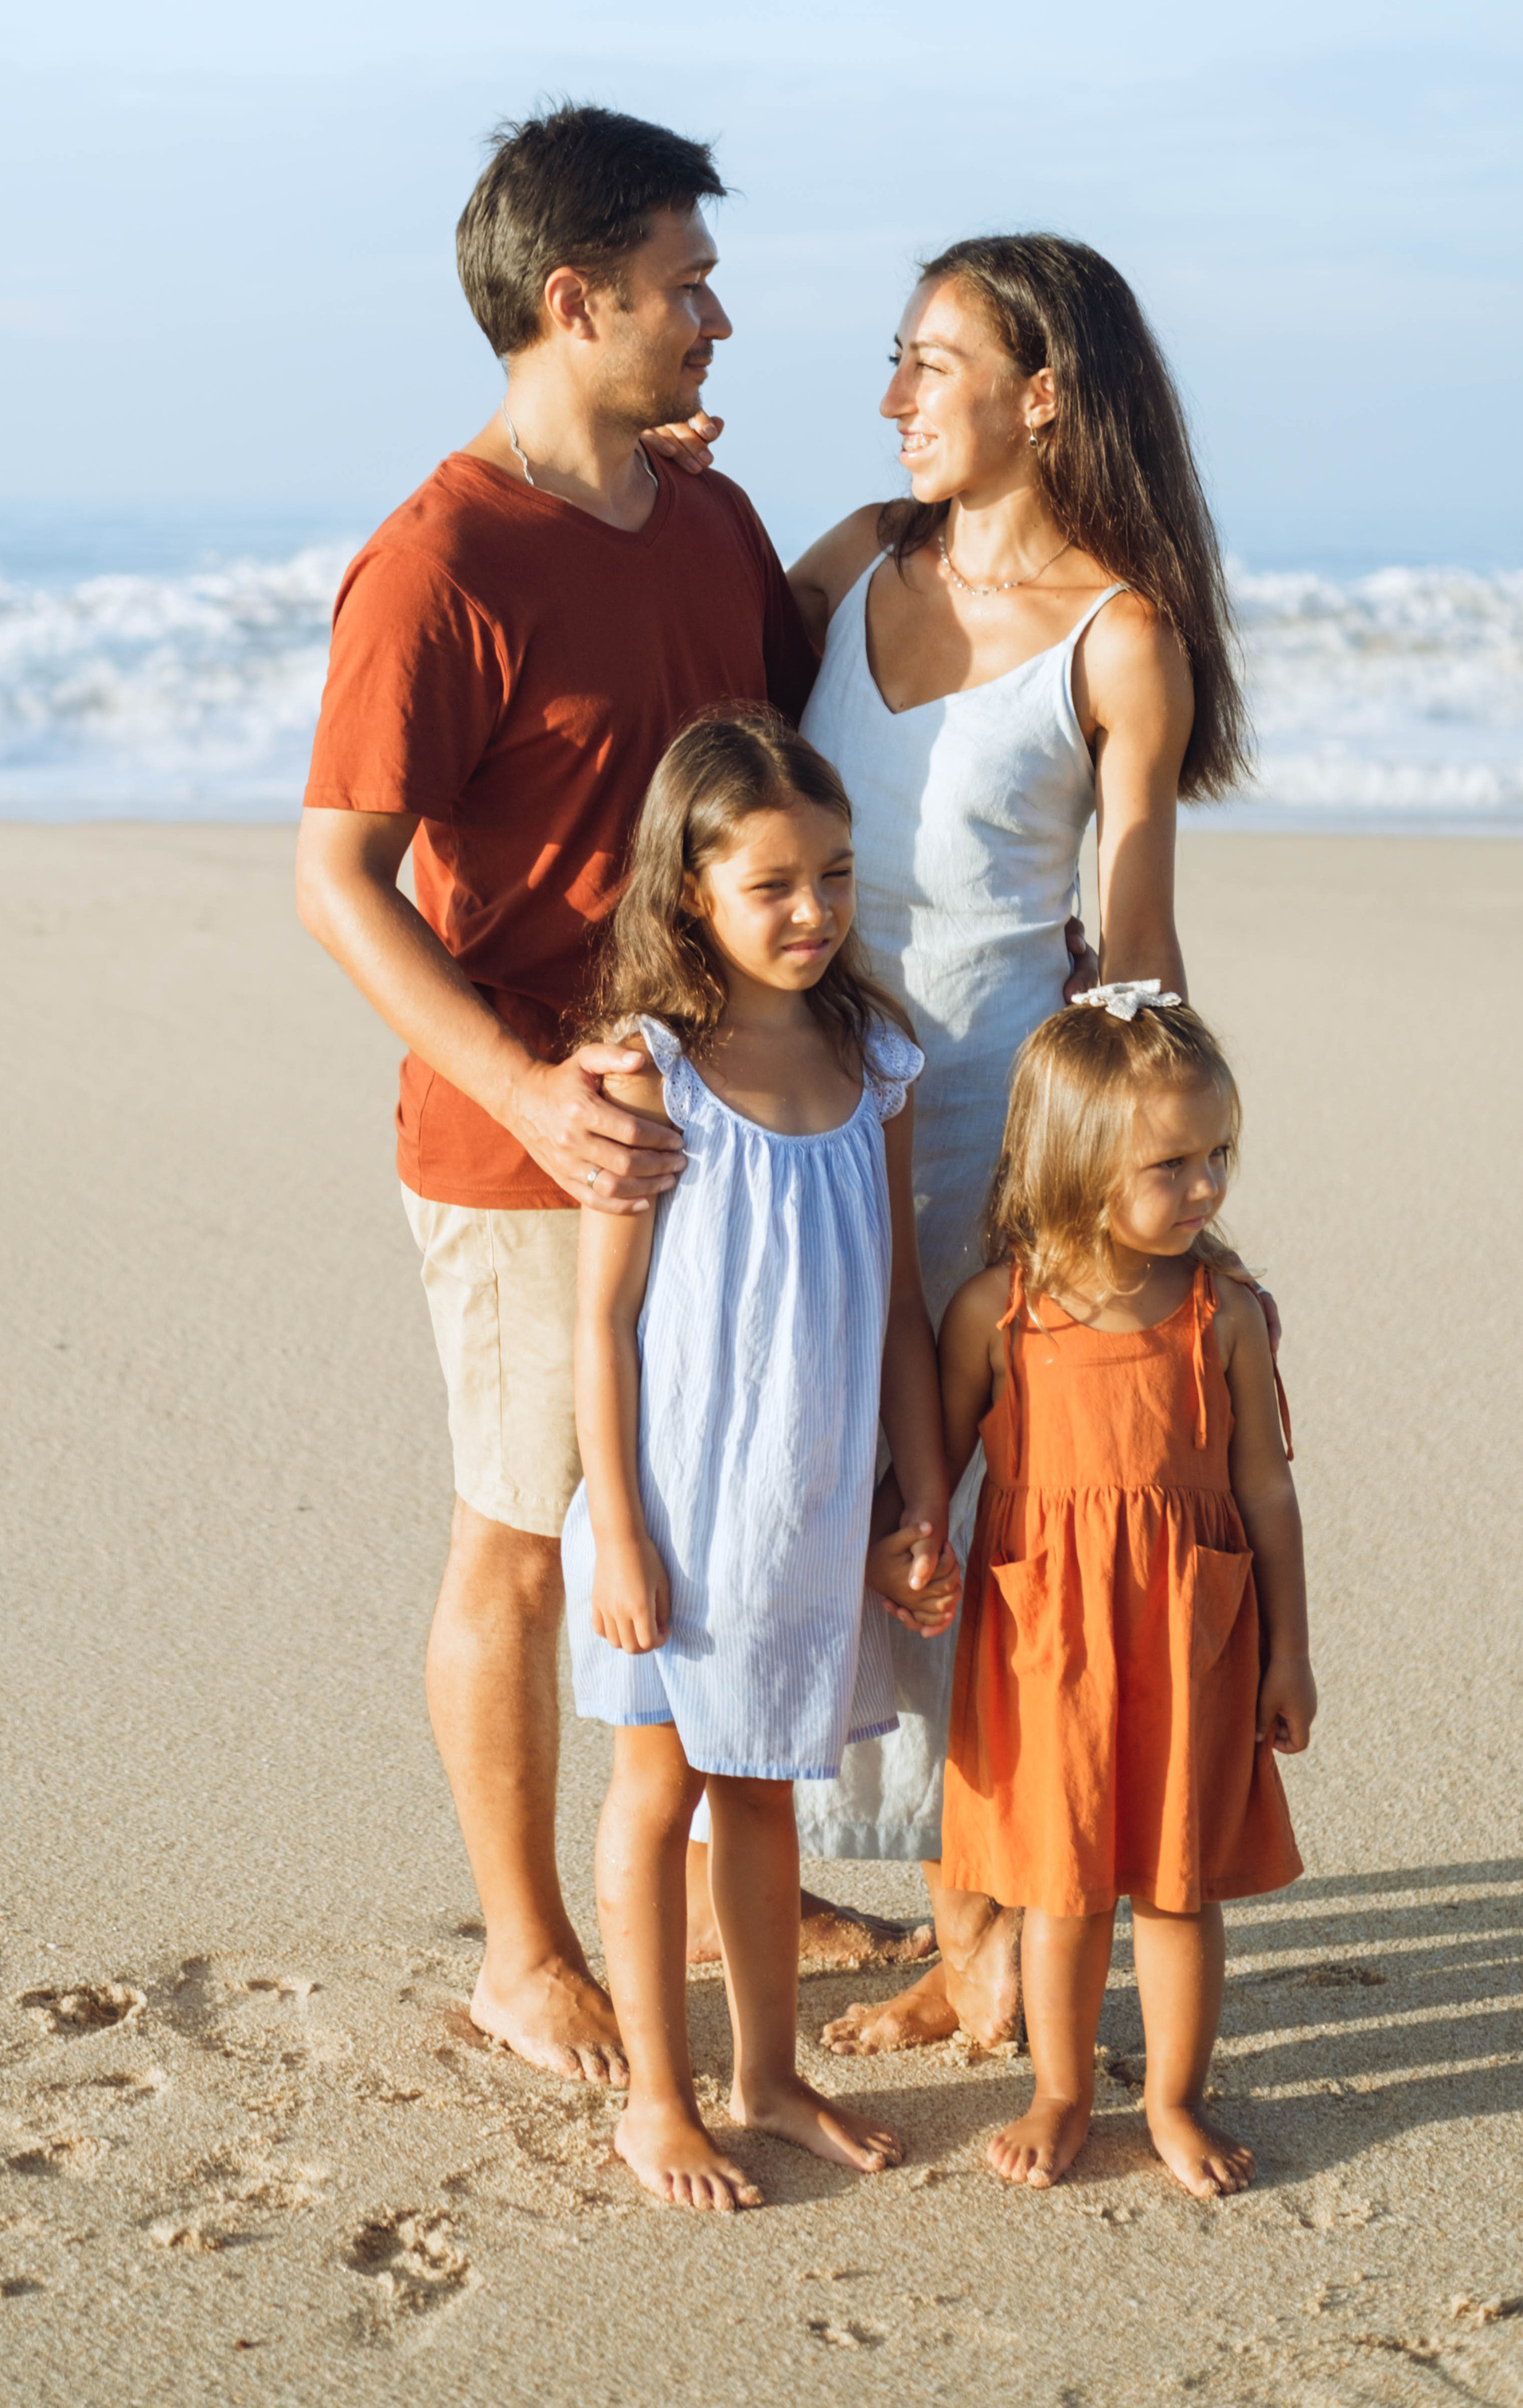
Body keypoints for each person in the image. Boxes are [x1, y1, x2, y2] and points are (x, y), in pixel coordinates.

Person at [295, 104, 820, 2086]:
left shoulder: (706, 517)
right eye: (685, 288)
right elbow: (333, 879)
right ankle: (522, 1951)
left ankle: (680, 1874)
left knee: (680, 1516)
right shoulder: (436, 561)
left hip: (729, 1124)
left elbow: (787, 739)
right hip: (526, 1140)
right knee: (521, 1539)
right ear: (570, 299)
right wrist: (524, 1092)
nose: (716, 320)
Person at [744, 233, 1258, 2059]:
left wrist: (1150, 1197)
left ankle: (978, 1937)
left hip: (987, 1131)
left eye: (928, 363)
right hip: (798, 1113)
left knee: (973, 1517)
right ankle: (801, 1861)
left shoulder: (1120, 633)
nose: (891, 397)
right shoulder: (845, 565)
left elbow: (1133, 949)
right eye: (889, 361)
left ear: (1040, 395)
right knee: (811, 1480)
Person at [562, 709, 951, 2207]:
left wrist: (914, 1499)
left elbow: (905, 1305)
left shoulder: (876, 1060)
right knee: (656, 1794)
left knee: (770, 1795)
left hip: (807, 1506)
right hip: (676, 1511)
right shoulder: (652, 1069)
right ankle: (659, 2096)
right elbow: (600, 1325)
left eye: (836, 875)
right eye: (774, 883)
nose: (813, 912)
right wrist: (618, 1542)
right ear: (690, 893)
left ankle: (770, 2073)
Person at [934, 985, 1311, 2199]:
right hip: (1047, 1640)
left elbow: (1267, 1498)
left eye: (1217, 1158)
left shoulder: (1226, 1316)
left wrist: (1290, 1654)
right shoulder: (1003, 1313)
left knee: (1179, 1884)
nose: (1205, 1187)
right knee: (1064, 1882)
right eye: (1171, 1164)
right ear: (1078, 1164)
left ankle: (1171, 2099)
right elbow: (933, 1474)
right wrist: (909, 1552)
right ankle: (1060, 2090)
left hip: (1192, 1639)